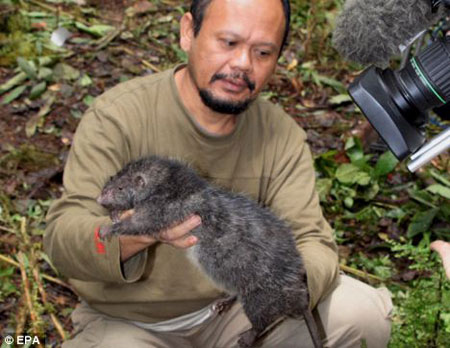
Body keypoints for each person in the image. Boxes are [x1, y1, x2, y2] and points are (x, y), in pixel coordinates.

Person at [44, 0, 392, 347]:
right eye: (228, 43)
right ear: (187, 33)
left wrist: (277, 283)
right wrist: (147, 230)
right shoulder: (118, 117)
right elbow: (63, 237)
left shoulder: (281, 135)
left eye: (263, 52)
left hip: (237, 308)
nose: (242, 64)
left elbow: (313, 242)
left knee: (359, 315)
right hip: (132, 323)